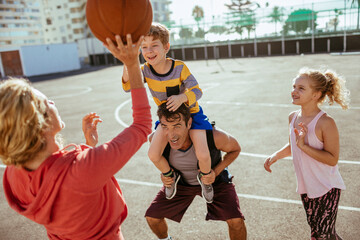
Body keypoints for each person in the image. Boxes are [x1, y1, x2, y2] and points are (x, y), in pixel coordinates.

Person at [1, 34, 152, 240]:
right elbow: (142, 125)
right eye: (48, 101)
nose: (53, 102)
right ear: (41, 123)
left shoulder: (12, 175)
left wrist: (87, 147)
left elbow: (61, 184)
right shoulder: (84, 169)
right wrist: (133, 64)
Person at [109, 23, 214, 203]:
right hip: (167, 119)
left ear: (166, 47)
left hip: (192, 115)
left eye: (154, 45)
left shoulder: (179, 67)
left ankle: (205, 180)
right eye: (144, 47)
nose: (149, 51)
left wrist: (182, 98)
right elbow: (128, 86)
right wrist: (128, 61)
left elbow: (198, 92)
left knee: (203, 155)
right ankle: (170, 177)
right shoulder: (145, 71)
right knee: (153, 154)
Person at [264, 68, 350, 240]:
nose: (294, 91)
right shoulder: (293, 117)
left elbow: (332, 159)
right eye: (294, 86)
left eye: (301, 88)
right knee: (319, 232)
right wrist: (275, 156)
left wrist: (304, 146)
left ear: (316, 95)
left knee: (323, 235)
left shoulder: (326, 122)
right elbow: (293, 146)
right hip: (307, 186)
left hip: (327, 187)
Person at [145, 103, 247, 240]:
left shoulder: (213, 136)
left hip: (215, 181)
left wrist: (215, 172)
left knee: (236, 221)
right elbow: (159, 160)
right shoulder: (156, 140)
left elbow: (235, 149)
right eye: (165, 127)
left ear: (189, 123)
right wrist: (165, 175)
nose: (171, 134)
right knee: (152, 217)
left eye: (177, 126)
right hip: (181, 184)